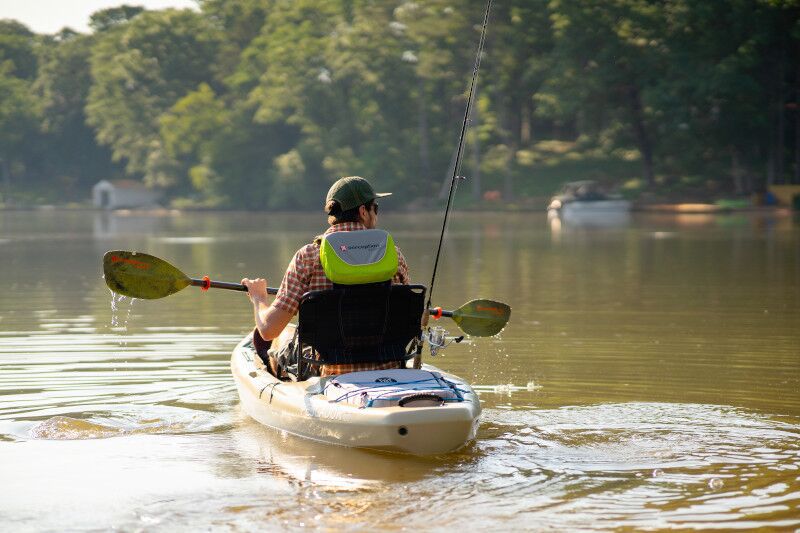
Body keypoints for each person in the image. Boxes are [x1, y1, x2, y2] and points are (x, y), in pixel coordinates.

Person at [241, 176, 412, 378]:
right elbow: (408, 318)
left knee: (280, 337)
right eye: (376, 208)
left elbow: (268, 330)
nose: (376, 215)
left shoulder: (308, 257)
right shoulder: (393, 255)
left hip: (327, 370)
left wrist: (259, 298)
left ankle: (283, 380)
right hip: (389, 365)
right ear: (363, 211)